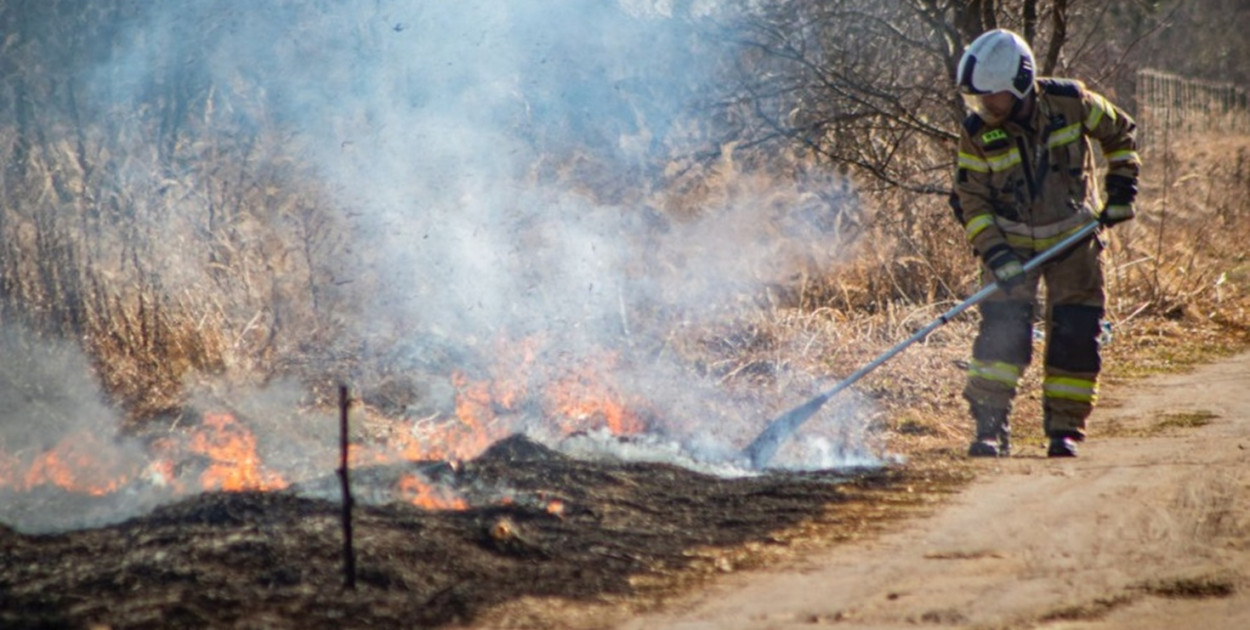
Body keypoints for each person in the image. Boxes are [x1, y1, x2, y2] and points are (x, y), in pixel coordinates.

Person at [948, 29, 1140, 458]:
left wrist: (1121, 192)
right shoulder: (977, 131)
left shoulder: (1072, 103)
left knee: (1074, 333)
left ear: (1019, 82)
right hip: (1009, 250)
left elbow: (1121, 134)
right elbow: (970, 200)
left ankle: (1064, 429)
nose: (985, 106)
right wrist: (996, 255)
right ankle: (990, 429)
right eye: (978, 99)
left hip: (1073, 242)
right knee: (1001, 336)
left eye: (992, 97)